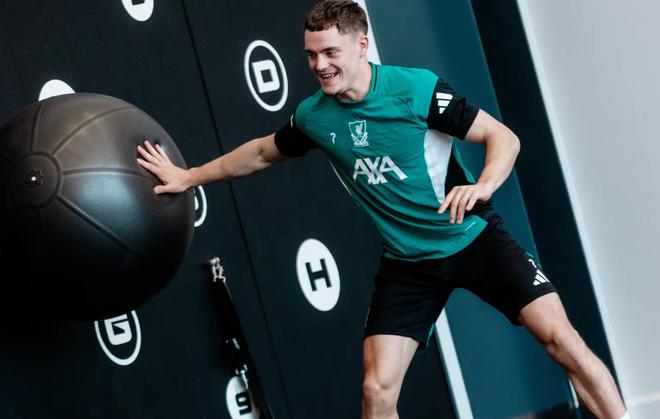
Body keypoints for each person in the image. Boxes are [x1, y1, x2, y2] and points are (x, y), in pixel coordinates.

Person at [137, 1, 629, 418]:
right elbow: (264, 152)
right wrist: (189, 176)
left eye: (331, 52)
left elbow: (503, 137)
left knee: (562, 341)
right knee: (376, 391)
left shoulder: (415, 90)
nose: (320, 65)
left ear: (361, 45)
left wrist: (482, 185)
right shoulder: (314, 116)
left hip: (472, 237)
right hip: (409, 263)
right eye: (311, 55)